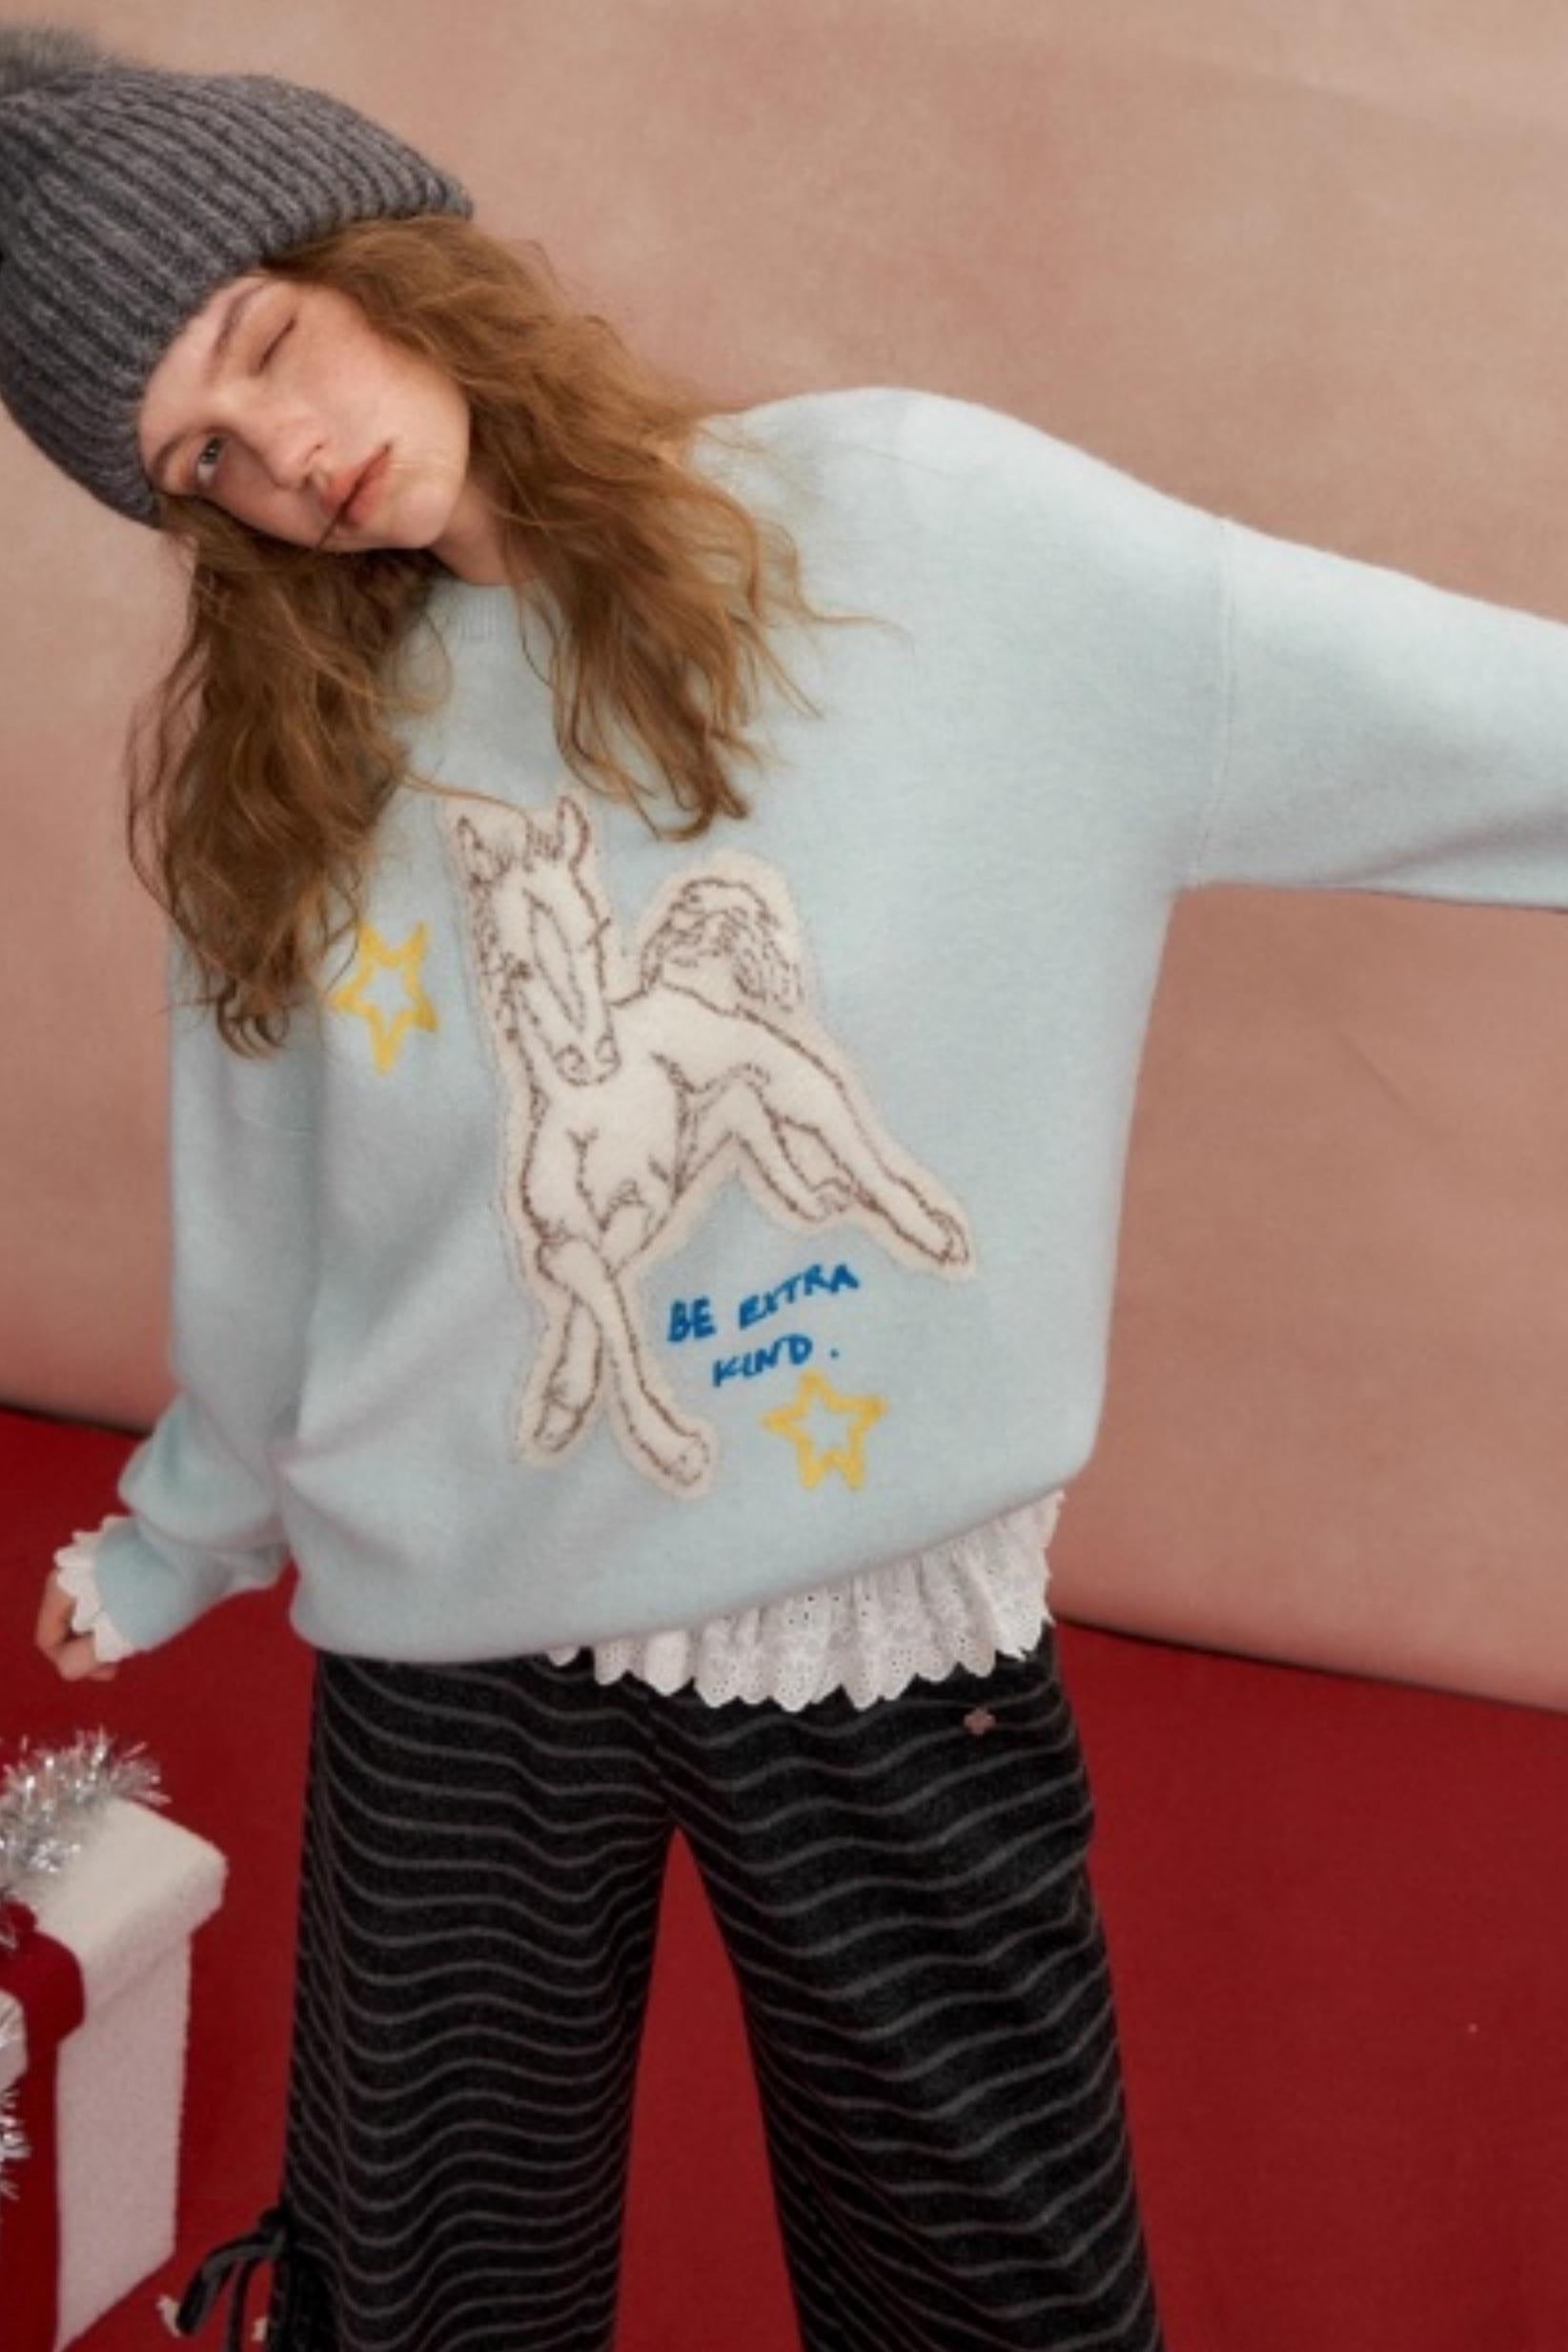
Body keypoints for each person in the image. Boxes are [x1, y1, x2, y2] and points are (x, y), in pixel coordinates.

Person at [7, 23, 1568, 2352]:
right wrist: (178, 1532)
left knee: (987, 2292)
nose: (282, 460)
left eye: (261, 341)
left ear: (382, 252)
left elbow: (1442, 708)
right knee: (424, 2292)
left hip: (868, 1611)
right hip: (451, 1623)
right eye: (197, 464)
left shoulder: (926, 536)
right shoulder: (295, 769)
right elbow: (276, 1238)